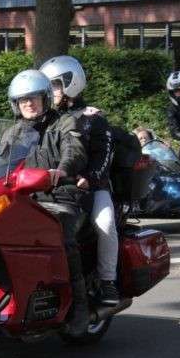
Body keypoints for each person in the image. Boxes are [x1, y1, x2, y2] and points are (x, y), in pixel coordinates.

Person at [1, 69, 90, 337]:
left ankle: (79, 308)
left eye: (34, 98)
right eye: (23, 99)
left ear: (45, 99)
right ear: (15, 104)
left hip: (59, 197)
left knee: (61, 235)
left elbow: (74, 151)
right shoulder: (12, 133)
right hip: (24, 200)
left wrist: (61, 171)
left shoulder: (63, 123)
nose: (29, 103)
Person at [39, 55, 119, 304]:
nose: (50, 92)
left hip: (92, 187)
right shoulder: (46, 118)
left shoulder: (93, 117)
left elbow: (105, 155)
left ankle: (107, 281)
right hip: (51, 187)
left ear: (71, 84)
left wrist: (90, 178)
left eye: (54, 85)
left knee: (105, 224)